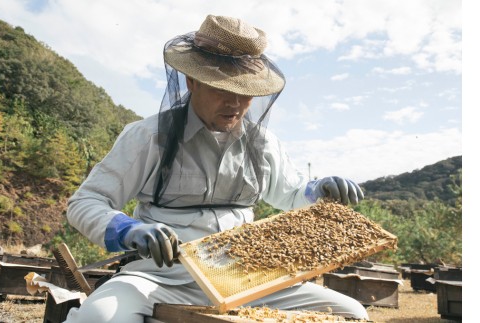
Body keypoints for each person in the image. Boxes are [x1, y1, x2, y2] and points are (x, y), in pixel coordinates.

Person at [64, 14, 367, 322]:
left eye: (245, 92)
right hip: (162, 278)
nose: (235, 103)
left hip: (247, 276)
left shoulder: (262, 143)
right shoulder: (148, 137)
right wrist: (127, 229)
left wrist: (319, 191)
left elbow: (291, 193)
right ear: (192, 81)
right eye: (223, 89)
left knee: (351, 314)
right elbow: (85, 202)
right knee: (99, 317)